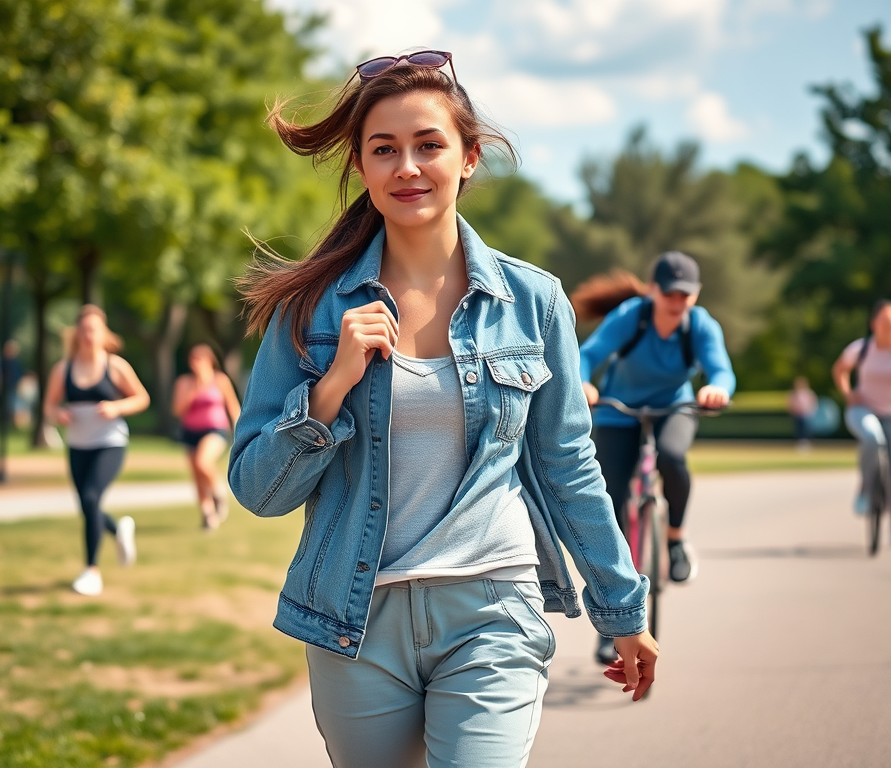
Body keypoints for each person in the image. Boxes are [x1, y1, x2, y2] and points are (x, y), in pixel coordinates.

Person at [229, 52, 657, 768]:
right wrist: (331, 388)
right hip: (355, 622)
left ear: (468, 158)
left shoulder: (534, 303)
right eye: (384, 150)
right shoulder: (311, 312)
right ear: (361, 169)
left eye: (429, 145)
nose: (408, 167)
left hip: (492, 608)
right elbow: (257, 490)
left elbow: (567, 467)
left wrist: (622, 608)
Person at [576, 255, 734, 662]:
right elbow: (588, 355)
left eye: (686, 294)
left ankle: (676, 541)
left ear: (696, 294)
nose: (677, 301)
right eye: (670, 293)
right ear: (653, 290)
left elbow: (721, 370)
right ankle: (612, 616)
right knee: (608, 501)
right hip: (618, 410)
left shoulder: (699, 326)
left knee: (674, 458)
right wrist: (583, 382)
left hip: (673, 409)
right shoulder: (632, 316)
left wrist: (716, 387)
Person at [43, 305, 150, 596]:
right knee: (87, 506)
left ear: (103, 333)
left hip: (110, 442)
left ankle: (91, 571)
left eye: (94, 329)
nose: (89, 335)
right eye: (84, 330)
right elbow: (49, 405)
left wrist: (117, 406)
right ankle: (119, 531)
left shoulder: (115, 366)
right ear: (76, 334)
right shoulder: (63, 368)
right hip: (78, 445)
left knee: (91, 497)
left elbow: (141, 398)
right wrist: (58, 414)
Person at [831, 299, 891, 547]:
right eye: (883, 321)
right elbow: (839, 370)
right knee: (872, 438)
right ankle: (864, 490)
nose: (887, 326)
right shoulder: (861, 349)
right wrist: (848, 394)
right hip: (863, 410)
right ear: (873, 324)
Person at [173, 343, 242, 529]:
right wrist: (195, 389)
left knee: (202, 462)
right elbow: (178, 409)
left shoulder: (220, 380)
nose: (196, 363)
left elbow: (233, 406)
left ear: (209, 361)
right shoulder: (185, 382)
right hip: (190, 431)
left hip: (215, 430)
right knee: (196, 474)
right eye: (193, 359)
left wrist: (241, 430)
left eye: (199, 359)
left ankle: (218, 492)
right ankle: (208, 514)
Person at [787, 375, 818, 450]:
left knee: (806, 429)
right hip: (797, 415)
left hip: (806, 414)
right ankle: (800, 443)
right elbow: (790, 403)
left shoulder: (809, 393)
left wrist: (811, 411)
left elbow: (813, 403)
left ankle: (806, 443)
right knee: (798, 429)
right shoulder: (794, 393)